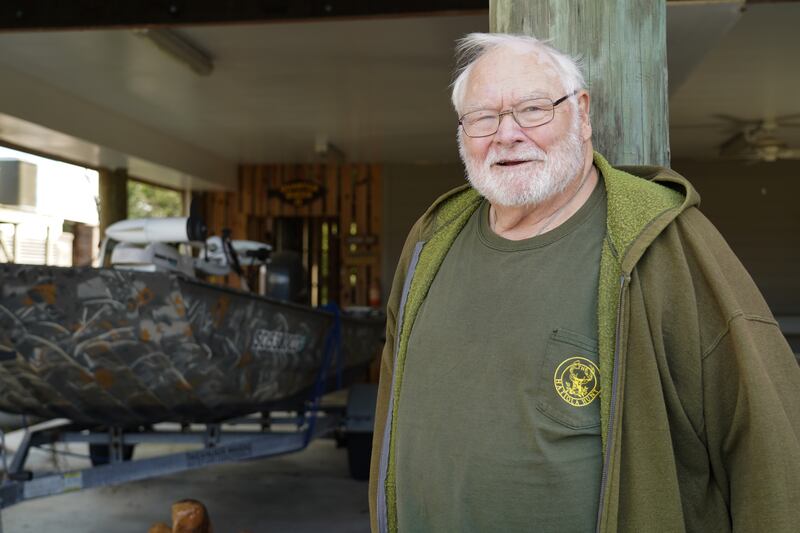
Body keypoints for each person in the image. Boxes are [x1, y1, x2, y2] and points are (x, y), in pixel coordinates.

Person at [368, 32, 800, 532]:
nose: (507, 135)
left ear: (582, 112)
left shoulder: (662, 241)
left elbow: (768, 439)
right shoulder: (431, 239)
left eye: (533, 109)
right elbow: (390, 417)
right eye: (483, 117)